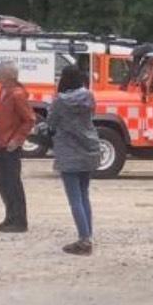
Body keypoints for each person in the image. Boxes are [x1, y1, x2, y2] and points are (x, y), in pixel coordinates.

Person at [46, 65, 101, 255]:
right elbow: (91, 117)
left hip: (69, 152)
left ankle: (84, 241)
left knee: (74, 199)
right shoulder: (89, 96)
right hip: (89, 149)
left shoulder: (59, 101)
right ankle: (88, 235)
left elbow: (51, 124)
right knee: (84, 195)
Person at [0, 60, 36, 232]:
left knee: (12, 182)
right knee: (2, 182)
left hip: (10, 145)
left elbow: (29, 119)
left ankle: (19, 220)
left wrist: (17, 139)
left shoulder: (17, 94)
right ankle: (10, 216)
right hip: (1, 143)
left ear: (9, 76)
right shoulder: (3, 91)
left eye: (0, 73)